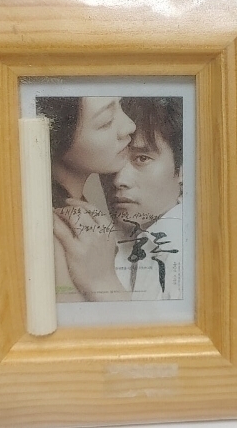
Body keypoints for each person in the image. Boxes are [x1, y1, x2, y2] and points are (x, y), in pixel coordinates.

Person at [53, 97, 185, 301]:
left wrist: (103, 282)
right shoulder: (96, 241)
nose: (119, 180)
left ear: (183, 169)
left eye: (142, 159)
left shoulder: (197, 252)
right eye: (117, 160)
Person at [36, 96, 136, 302]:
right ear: (57, 137)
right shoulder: (56, 238)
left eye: (120, 105)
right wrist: (104, 281)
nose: (130, 126)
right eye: (106, 121)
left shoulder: (74, 206)